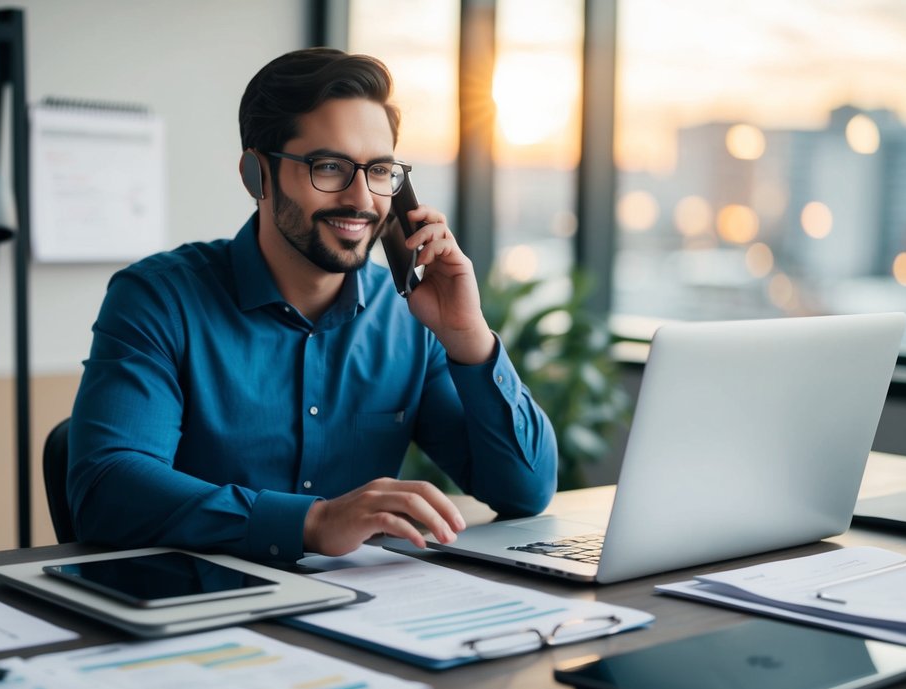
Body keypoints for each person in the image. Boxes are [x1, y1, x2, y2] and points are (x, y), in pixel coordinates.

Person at [67, 48, 558, 563]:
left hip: (365, 615)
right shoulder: (159, 299)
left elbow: (522, 492)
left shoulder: (409, 318)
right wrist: (311, 522)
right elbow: (106, 488)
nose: (362, 199)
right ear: (256, 174)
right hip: (202, 611)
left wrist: (467, 335)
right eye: (329, 167)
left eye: (379, 171)